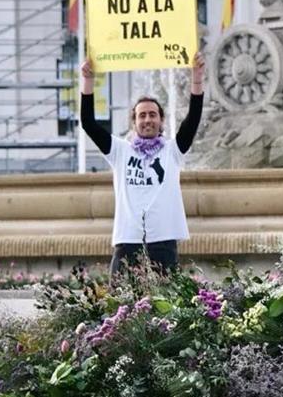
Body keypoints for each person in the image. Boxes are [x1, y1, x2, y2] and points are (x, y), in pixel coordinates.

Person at [80, 54, 204, 275]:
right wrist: (88, 82)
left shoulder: (172, 151)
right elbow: (89, 123)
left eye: (153, 115)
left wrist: (197, 78)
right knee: (120, 303)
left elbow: (192, 119)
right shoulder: (119, 150)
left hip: (163, 240)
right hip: (128, 239)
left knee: (167, 305)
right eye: (142, 115)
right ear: (134, 122)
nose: (148, 120)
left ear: (161, 120)